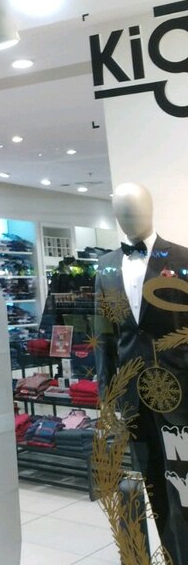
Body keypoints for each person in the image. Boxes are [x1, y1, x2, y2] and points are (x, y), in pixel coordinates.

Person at [95, 182, 188, 565]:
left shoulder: (182, 258)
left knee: (183, 488)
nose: (129, 217)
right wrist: (108, 396)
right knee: (153, 485)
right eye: (122, 211)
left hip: (179, 397)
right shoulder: (105, 267)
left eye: (135, 208)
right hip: (134, 399)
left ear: (150, 209)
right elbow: (106, 336)